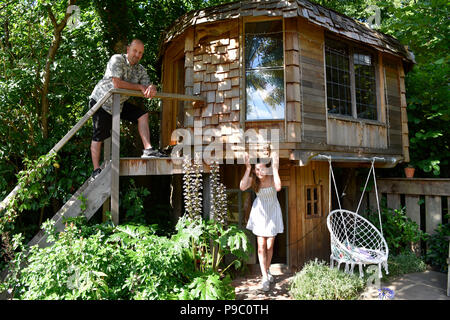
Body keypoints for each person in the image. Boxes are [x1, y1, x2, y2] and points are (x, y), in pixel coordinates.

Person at [89, 38, 164, 180]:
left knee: (142, 114)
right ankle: (96, 170)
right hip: (101, 101)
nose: (137, 55)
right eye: (135, 51)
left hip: (119, 103)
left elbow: (148, 85)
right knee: (99, 135)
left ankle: (148, 150)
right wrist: (139, 87)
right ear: (128, 49)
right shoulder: (116, 59)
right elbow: (116, 83)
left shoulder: (140, 70)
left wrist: (152, 88)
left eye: (140, 53)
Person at [240, 151, 283, 292]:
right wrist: (247, 169)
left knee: (270, 246)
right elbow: (242, 186)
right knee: (261, 246)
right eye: (257, 169)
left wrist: (275, 169)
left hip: (272, 212)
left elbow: (278, 187)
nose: (260, 172)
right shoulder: (254, 179)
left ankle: (267, 269)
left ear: (267, 168)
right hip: (259, 212)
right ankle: (264, 276)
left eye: (262, 168)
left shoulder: (271, 176)